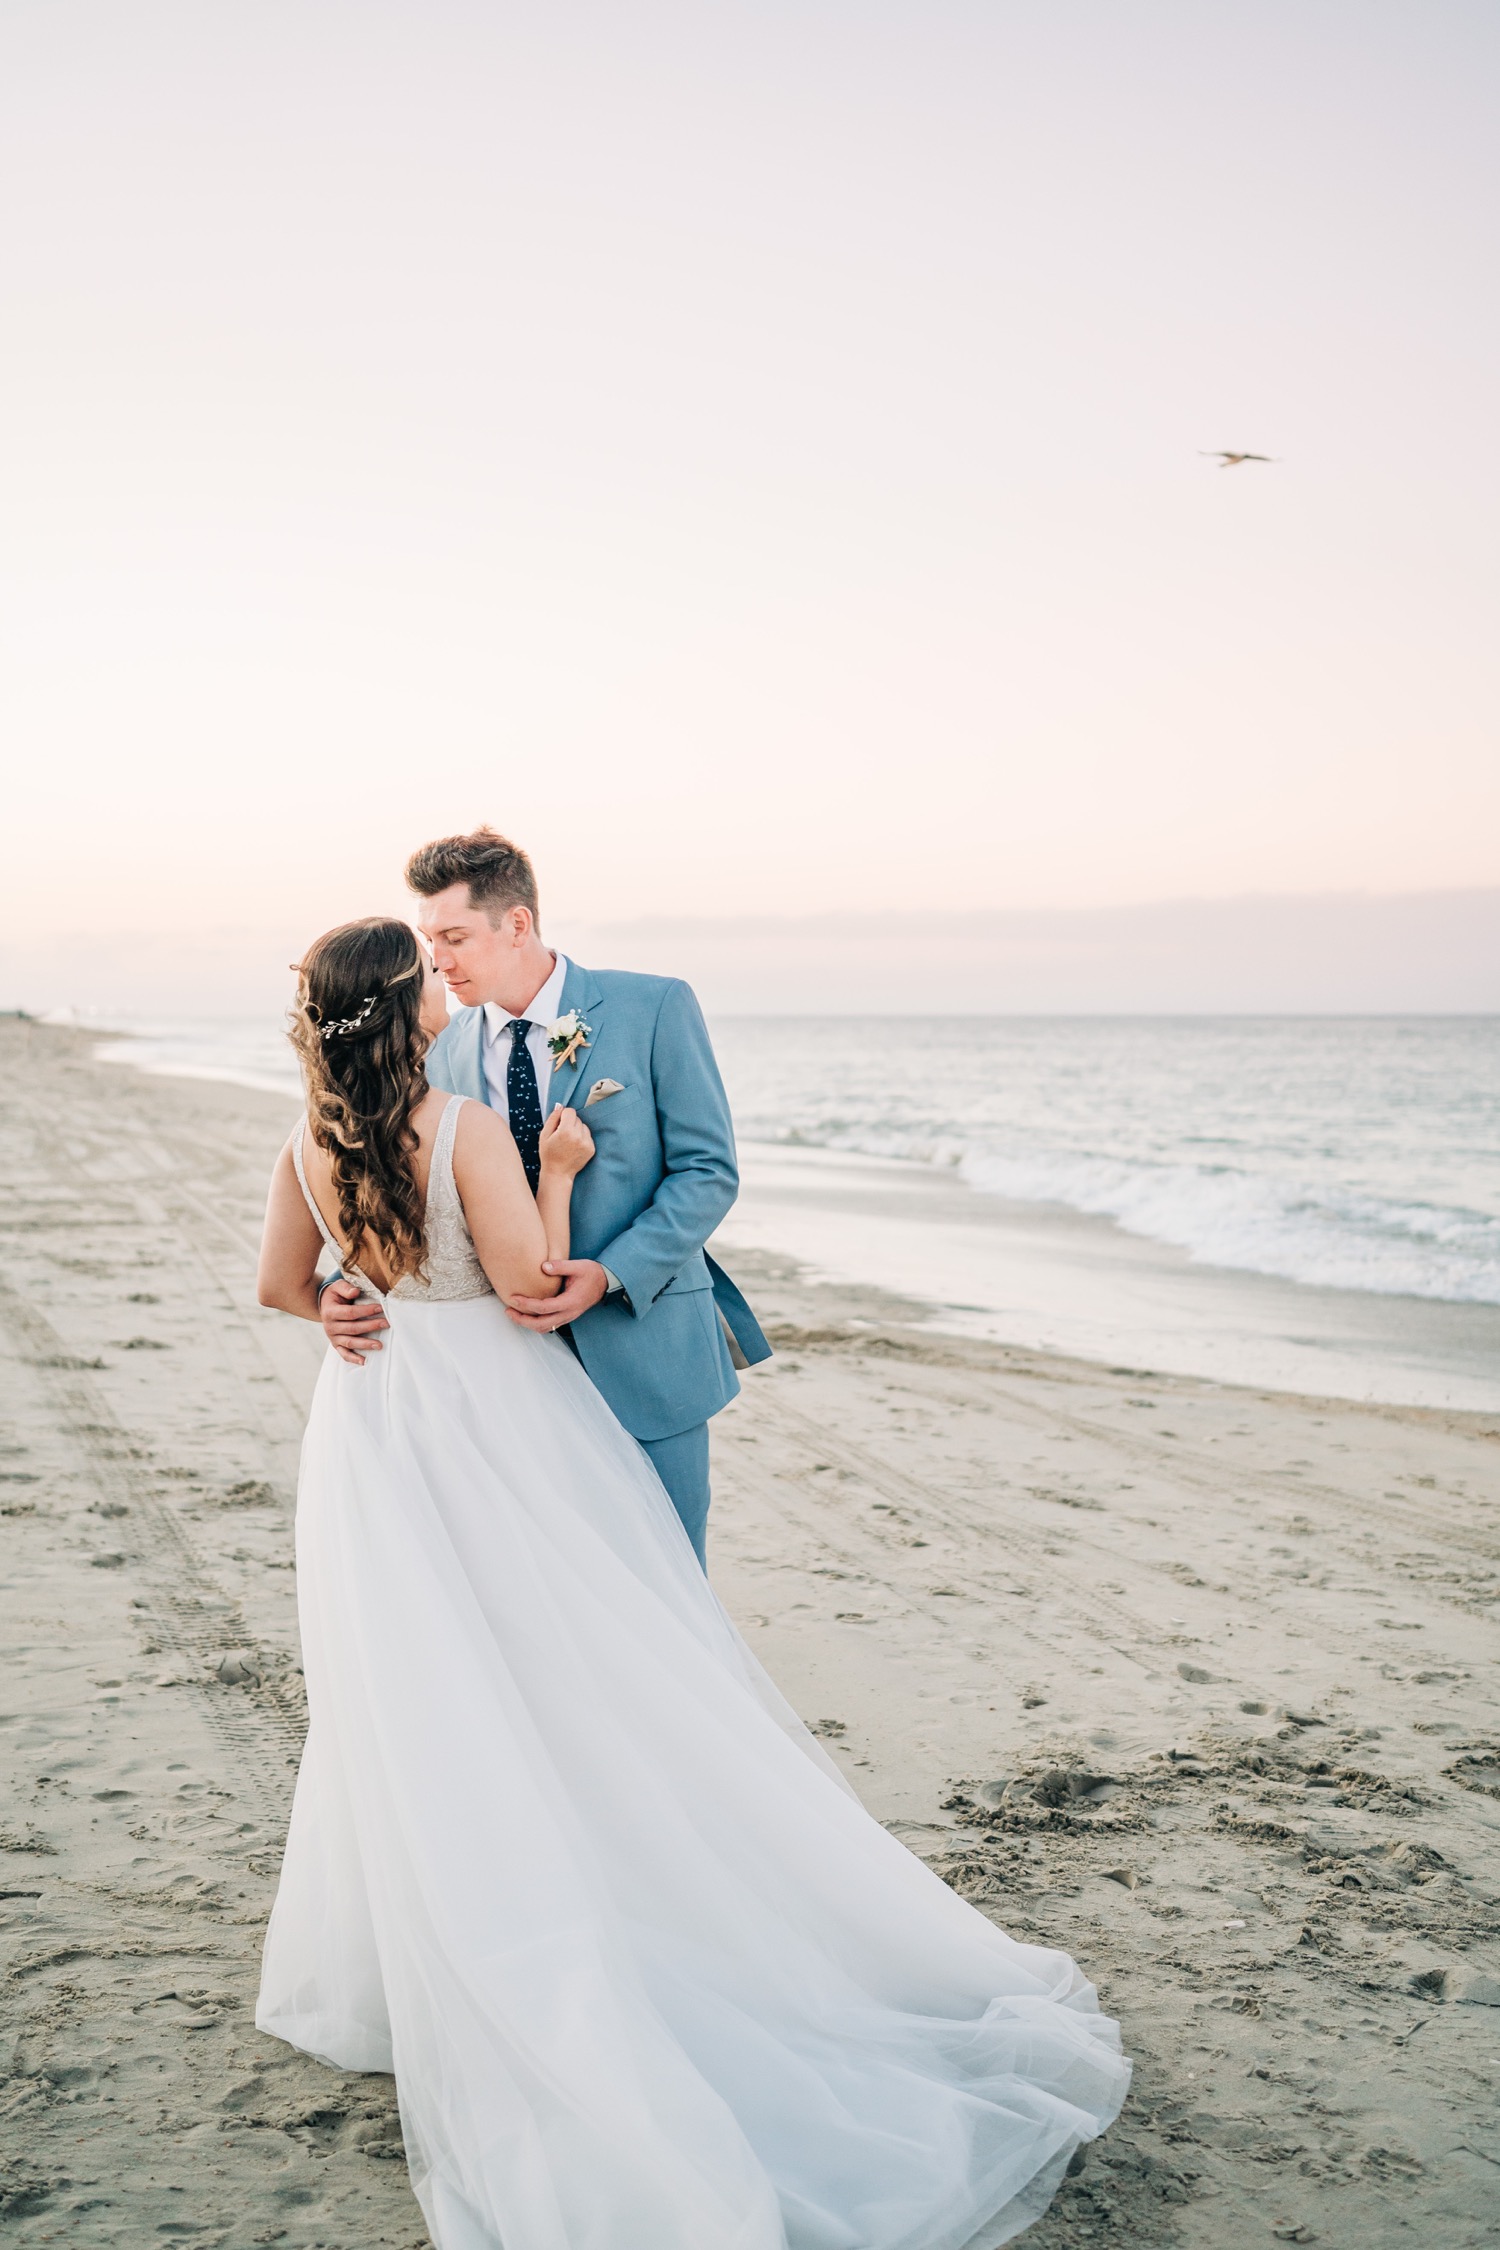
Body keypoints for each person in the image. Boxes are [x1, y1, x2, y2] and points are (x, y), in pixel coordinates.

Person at [255, 914, 1130, 2250]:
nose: (445, 987)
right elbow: (527, 1285)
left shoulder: (307, 1139)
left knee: (421, 1691)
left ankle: (428, 1962)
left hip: (374, 1431)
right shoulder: (469, 1130)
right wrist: (557, 1171)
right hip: (494, 1416)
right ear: (401, 1012)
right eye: (424, 976)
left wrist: (341, 1299)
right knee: (582, 1665)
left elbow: (277, 1283)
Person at [318, 825, 767, 1566]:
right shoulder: (444, 1047)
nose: (440, 960)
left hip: (643, 1341)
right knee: (555, 1584)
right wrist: (346, 1283)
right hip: (506, 1363)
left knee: (671, 1578)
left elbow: (707, 1170)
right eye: (432, 940)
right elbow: (422, 1190)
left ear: (517, 923)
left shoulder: (652, 1007)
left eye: (456, 936)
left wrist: (610, 1272)